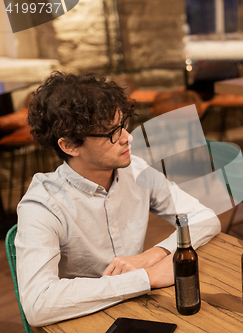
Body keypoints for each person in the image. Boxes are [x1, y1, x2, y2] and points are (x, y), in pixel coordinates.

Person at [15, 72, 221, 327]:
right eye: (112, 133)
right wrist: (147, 277)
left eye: (122, 125)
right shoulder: (43, 205)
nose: (127, 137)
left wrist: (156, 254)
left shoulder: (135, 169)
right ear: (69, 145)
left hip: (141, 310)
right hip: (84, 321)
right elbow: (38, 304)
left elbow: (205, 218)